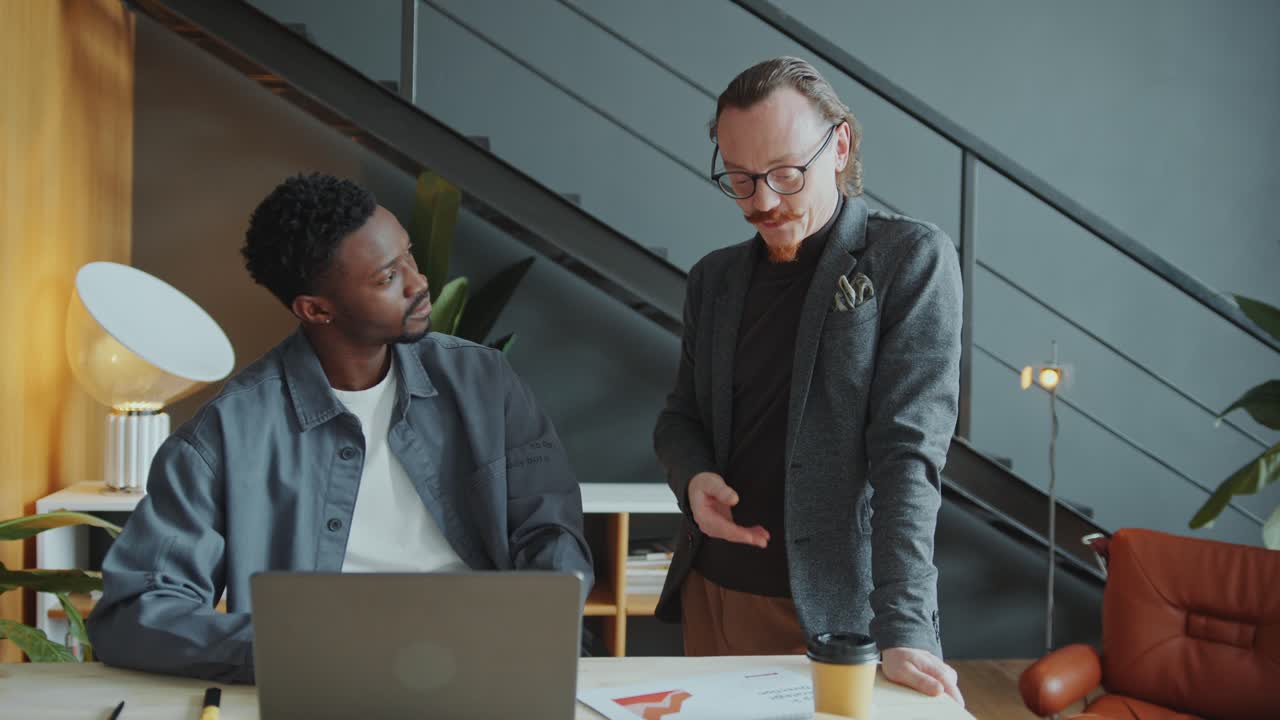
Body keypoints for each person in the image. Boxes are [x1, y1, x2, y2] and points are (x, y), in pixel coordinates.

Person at [88, 173, 593, 682]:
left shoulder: (484, 382)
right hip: (325, 678)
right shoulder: (227, 434)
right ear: (316, 309)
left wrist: (532, 631)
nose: (419, 284)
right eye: (387, 277)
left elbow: (550, 529)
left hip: (483, 662)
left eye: (410, 257)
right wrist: (294, 650)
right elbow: (135, 612)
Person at [653, 57, 964, 704]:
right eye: (739, 179)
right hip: (708, 590)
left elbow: (908, 453)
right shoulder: (713, 279)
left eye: (785, 173)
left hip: (830, 609)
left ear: (840, 144)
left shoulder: (910, 259)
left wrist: (906, 626)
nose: (762, 200)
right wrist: (696, 478)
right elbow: (680, 417)